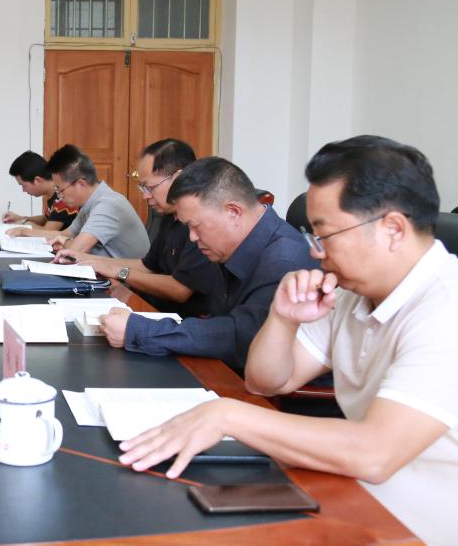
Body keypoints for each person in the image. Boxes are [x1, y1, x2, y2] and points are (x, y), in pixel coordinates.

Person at [116, 136, 456, 545]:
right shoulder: (352, 294)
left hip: (415, 526)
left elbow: (375, 453)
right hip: (350, 495)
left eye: (324, 235)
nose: (315, 252)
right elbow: (266, 381)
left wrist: (229, 416)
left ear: (393, 229)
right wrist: (282, 317)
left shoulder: (445, 308)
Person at [97, 156, 315, 369]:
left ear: (233, 212)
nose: (192, 237)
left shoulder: (283, 262)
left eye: (196, 226)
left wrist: (139, 330)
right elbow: (219, 323)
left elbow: (239, 338)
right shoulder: (227, 246)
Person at [56, 139, 220, 316]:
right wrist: (89, 260)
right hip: (153, 307)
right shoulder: (169, 216)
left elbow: (180, 290)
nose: (145, 196)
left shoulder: (199, 221)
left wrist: (120, 272)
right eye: (143, 187)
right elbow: (147, 265)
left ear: (177, 178)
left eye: (150, 187)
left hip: (184, 320)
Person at [7, 145, 149, 259]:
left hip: (126, 282)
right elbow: (65, 234)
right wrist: (23, 231)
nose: (59, 196)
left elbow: (75, 250)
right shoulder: (89, 203)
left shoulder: (108, 204)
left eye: (60, 189)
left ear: (80, 184)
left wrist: (65, 242)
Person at [1, 150, 78, 230]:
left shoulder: (63, 196)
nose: (23, 190)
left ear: (37, 180)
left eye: (23, 185)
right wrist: (21, 219)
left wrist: (24, 224)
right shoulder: (53, 194)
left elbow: (47, 232)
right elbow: (46, 219)